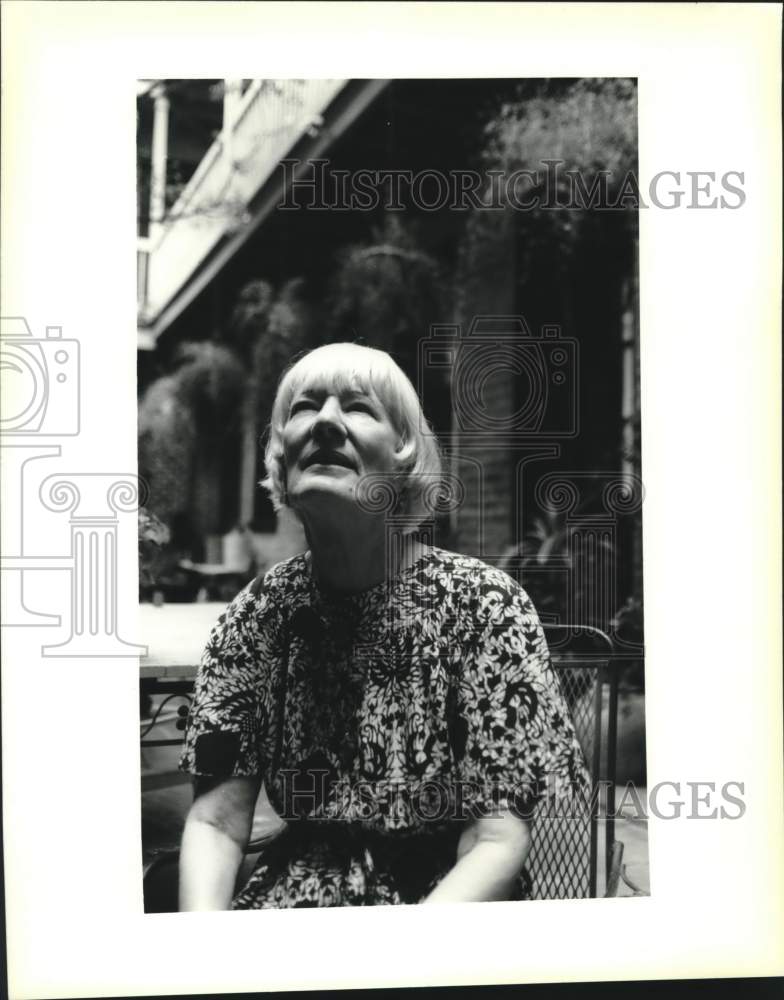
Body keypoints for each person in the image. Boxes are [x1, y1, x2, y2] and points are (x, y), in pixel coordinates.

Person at [178, 342, 589, 909]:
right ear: (280, 456)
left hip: (449, 919)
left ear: (404, 454)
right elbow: (216, 825)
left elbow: (496, 838)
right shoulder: (253, 621)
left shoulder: (485, 607)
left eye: (358, 407)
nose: (325, 422)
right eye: (304, 407)